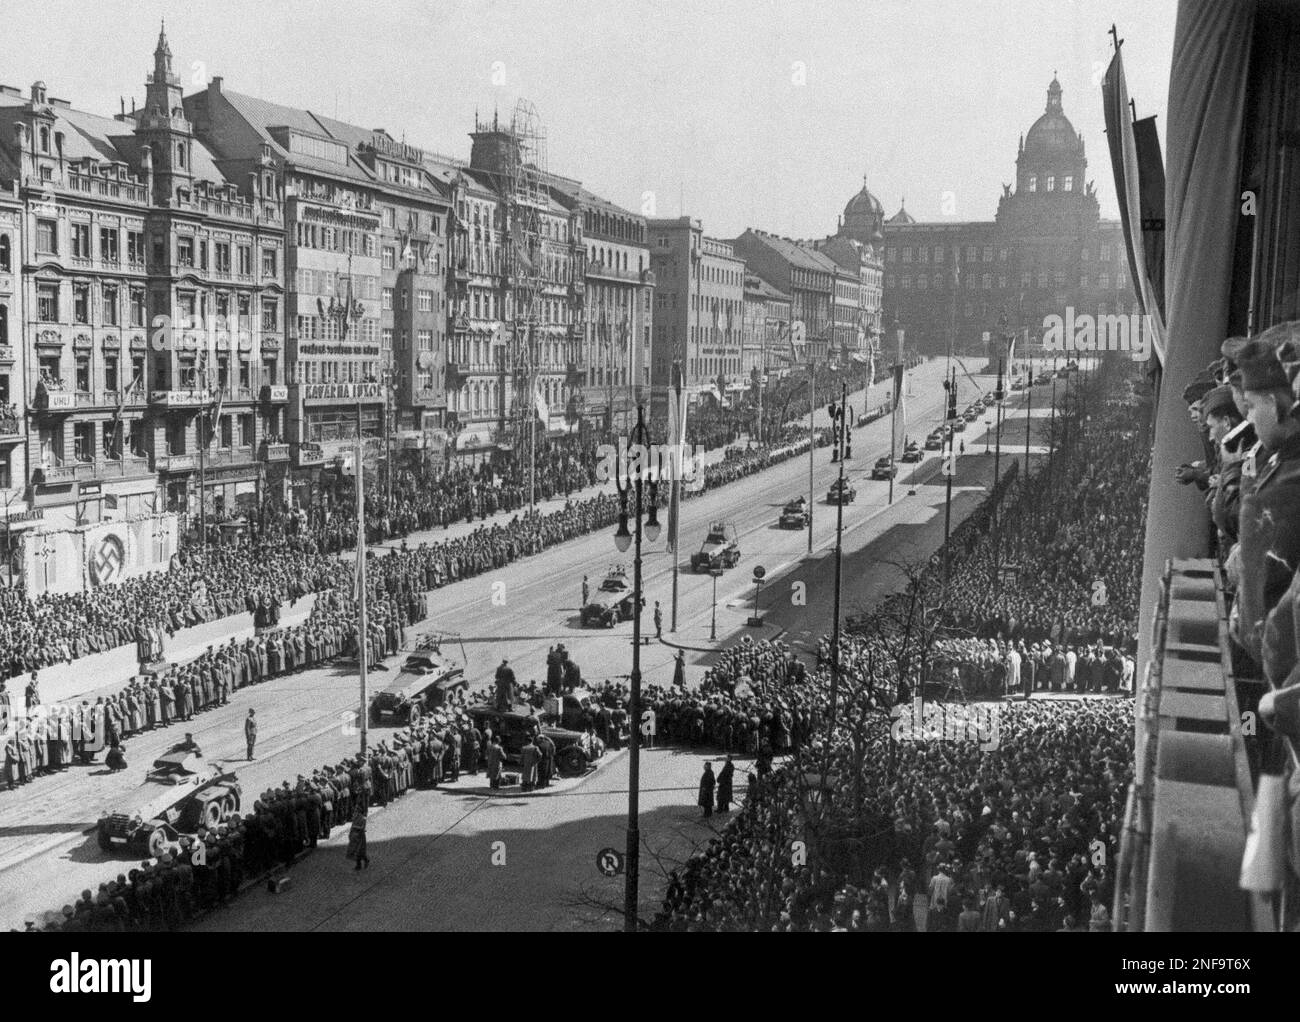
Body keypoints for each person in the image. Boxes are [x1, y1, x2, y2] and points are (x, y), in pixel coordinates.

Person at [346, 807, 369, 871]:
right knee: (356, 851)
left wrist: (355, 827)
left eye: (356, 811)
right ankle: (359, 865)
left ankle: (363, 862)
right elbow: (352, 826)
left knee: (360, 851)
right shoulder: (355, 818)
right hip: (354, 836)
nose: (354, 813)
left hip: (360, 836)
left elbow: (362, 828)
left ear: (359, 812)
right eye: (354, 811)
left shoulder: (363, 819)